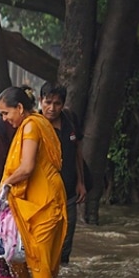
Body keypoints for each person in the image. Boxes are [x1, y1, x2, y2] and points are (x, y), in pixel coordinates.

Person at [0, 86, 68, 278]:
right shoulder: (40, 122)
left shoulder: (30, 126)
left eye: (5, 113)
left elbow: (27, 167)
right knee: (27, 255)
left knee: (39, 258)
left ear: (19, 107)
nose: (4, 119)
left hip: (44, 199)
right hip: (41, 195)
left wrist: (6, 183)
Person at [39, 83, 88, 264]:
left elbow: (77, 152)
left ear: (63, 104)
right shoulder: (34, 125)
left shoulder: (69, 120)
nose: (52, 108)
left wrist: (81, 182)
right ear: (40, 101)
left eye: (57, 104)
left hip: (68, 190)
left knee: (67, 238)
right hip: (43, 194)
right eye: (48, 102)